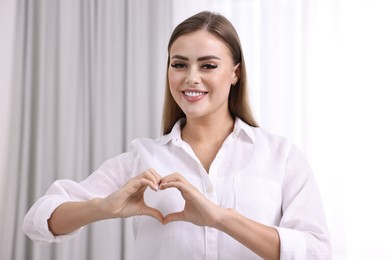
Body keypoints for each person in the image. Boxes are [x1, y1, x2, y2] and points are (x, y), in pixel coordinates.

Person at [23, 11, 331, 259]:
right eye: (179, 64)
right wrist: (102, 207)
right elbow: (38, 220)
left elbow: (316, 252)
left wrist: (222, 219)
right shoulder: (142, 158)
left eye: (208, 65)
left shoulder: (281, 156)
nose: (191, 78)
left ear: (235, 72)